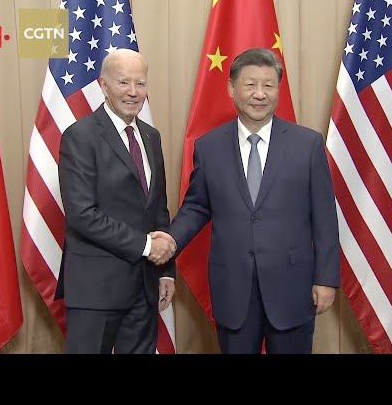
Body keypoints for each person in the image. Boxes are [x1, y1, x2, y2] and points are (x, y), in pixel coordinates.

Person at [154, 47, 340, 354]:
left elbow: (325, 217)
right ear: (231, 88)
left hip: (292, 287)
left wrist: (327, 278)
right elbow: (197, 206)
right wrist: (171, 240)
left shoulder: (307, 144)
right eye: (250, 84)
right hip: (233, 288)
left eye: (268, 85)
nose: (260, 94)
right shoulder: (209, 147)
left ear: (278, 90)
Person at [55, 48, 176, 354]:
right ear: (104, 86)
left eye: (140, 83)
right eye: (123, 83)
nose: (133, 92)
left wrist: (165, 270)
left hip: (145, 287)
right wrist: (148, 247)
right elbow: (82, 215)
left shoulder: (151, 136)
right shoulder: (80, 136)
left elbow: (157, 207)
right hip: (97, 290)